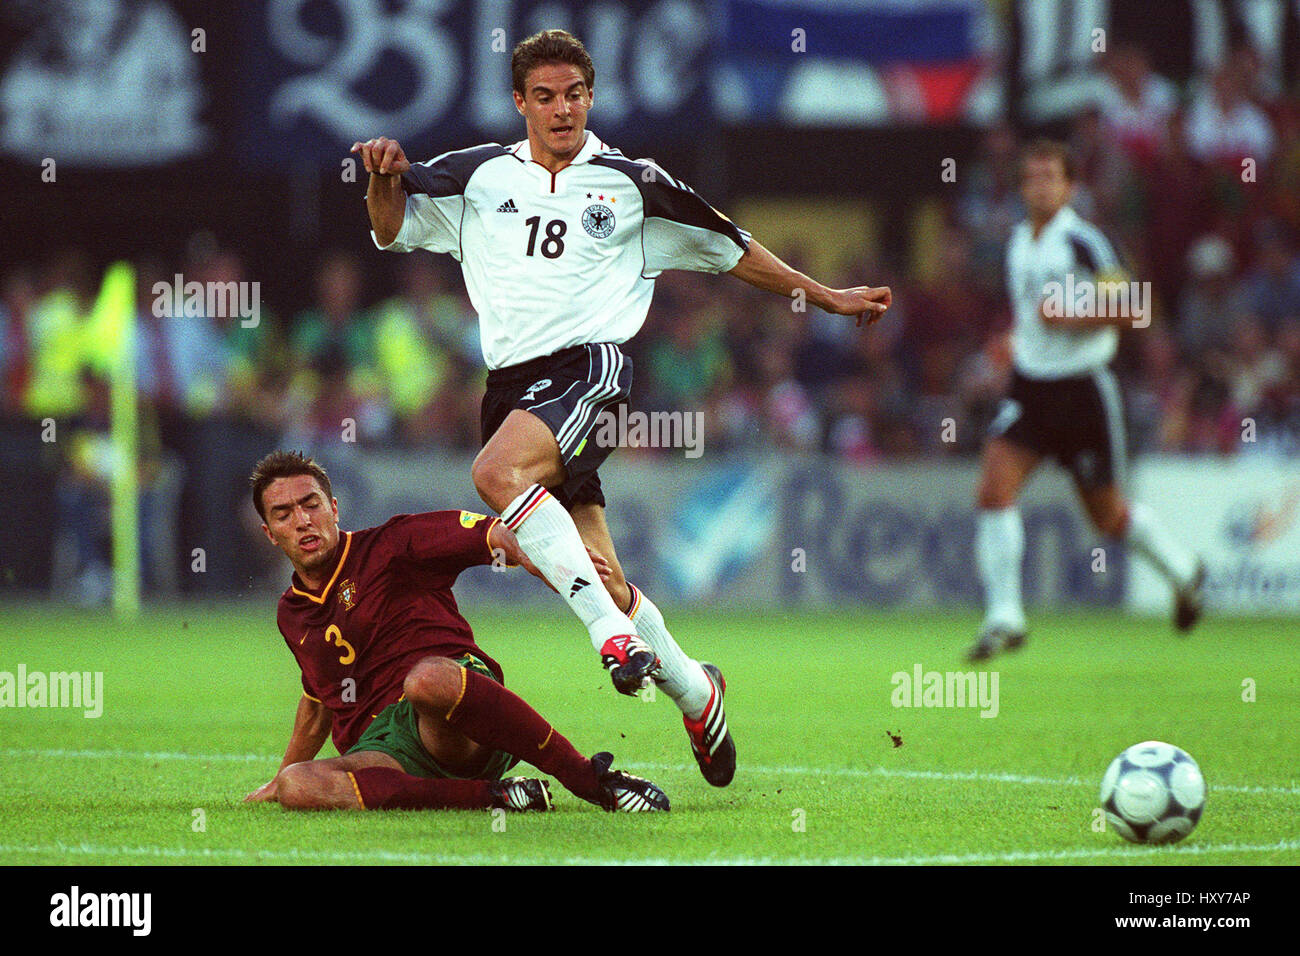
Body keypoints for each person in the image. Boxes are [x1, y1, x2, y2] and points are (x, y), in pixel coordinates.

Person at [351, 28, 892, 787]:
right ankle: (698, 692)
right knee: (597, 570)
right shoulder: (475, 178)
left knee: (495, 475)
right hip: (511, 392)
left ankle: (611, 640)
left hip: (592, 374)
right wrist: (380, 175)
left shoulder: (629, 182)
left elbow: (733, 247)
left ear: (590, 98)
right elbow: (391, 227)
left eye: (574, 94)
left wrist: (827, 296)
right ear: (520, 103)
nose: (562, 108)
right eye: (545, 96)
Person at [243, 450, 669, 813]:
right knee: (299, 786)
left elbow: (491, 534)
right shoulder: (291, 612)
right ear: (269, 534)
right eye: (284, 513)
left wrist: (537, 554)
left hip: (455, 719)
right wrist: (279, 779)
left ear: (334, 508)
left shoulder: (393, 544)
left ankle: (588, 778)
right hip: (387, 749)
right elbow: (319, 703)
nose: (302, 520)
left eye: (311, 504)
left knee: (426, 679)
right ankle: (493, 797)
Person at [968, 139, 1205, 661]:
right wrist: (1014, 341)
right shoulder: (1017, 242)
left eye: (1051, 176)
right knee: (993, 489)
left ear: (1071, 186)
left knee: (1107, 515)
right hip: (1031, 388)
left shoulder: (1084, 240)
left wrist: (1073, 315)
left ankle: (1184, 571)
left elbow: (1137, 306)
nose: (1040, 185)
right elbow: (1033, 313)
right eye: (1031, 176)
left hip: (1083, 389)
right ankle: (1005, 617)